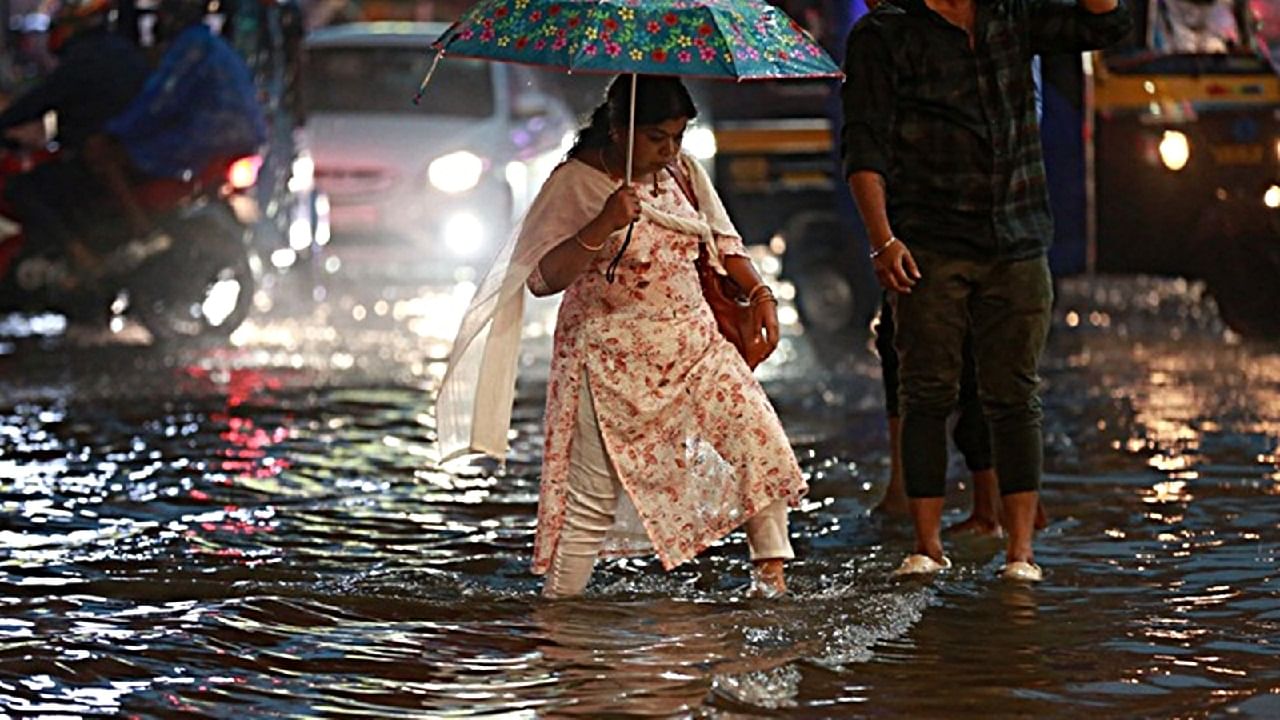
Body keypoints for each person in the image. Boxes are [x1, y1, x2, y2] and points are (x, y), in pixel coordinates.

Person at [436, 75, 808, 599]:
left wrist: (762, 295)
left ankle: (772, 587)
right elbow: (544, 279)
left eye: (678, 136)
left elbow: (724, 242)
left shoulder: (681, 172)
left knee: (759, 442)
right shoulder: (575, 183)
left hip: (694, 345)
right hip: (608, 360)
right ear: (617, 129)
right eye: (658, 137)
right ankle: (560, 624)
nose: (670, 149)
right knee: (591, 500)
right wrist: (603, 224)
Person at [841, 0, 1131, 581]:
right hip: (929, 240)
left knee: (1015, 395)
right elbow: (864, 143)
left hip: (1017, 238)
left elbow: (1105, 24)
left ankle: (1020, 552)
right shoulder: (886, 33)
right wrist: (882, 239)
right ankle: (926, 545)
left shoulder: (1012, 14)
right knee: (927, 392)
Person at [83, 0, 267, 245]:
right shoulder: (214, 45)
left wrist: (116, 131)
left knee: (107, 156)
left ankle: (143, 232)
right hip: (238, 139)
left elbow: (158, 101)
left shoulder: (192, 45)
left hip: (204, 140)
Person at [0, 0, 149, 276]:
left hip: (101, 161)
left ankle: (80, 256)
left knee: (22, 190)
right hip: (127, 155)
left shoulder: (85, 59)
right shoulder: (121, 51)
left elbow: (40, 100)